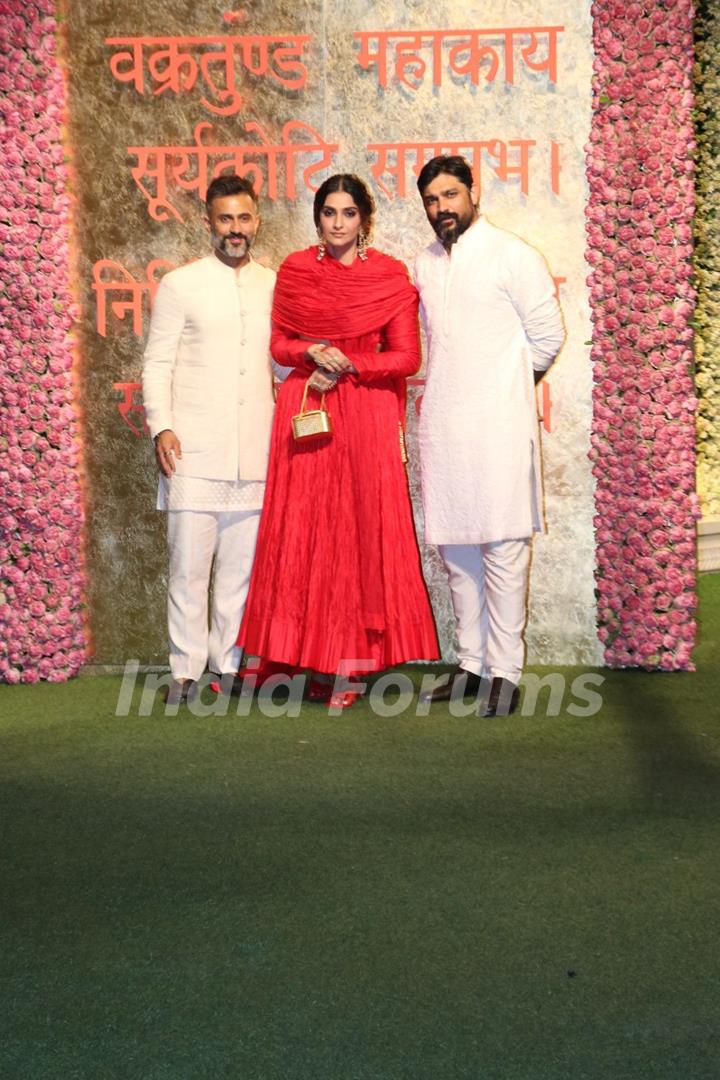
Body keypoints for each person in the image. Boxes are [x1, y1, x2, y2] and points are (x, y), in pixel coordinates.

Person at [238, 173, 439, 707]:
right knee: (301, 532)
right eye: (329, 212)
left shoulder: (389, 277)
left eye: (349, 213)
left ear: (364, 219)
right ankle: (288, 658)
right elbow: (280, 344)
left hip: (365, 413)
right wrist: (309, 353)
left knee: (354, 536)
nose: (338, 223)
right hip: (308, 411)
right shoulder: (298, 271)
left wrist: (354, 361)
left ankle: (350, 666)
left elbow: (406, 358)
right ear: (317, 217)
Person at [414, 155, 565, 715]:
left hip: (498, 428)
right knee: (457, 552)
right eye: (431, 200)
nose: (441, 208)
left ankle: (505, 671)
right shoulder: (425, 263)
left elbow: (547, 334)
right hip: (445, 429)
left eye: (450, 195)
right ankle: (471, 664)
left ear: (473, 193)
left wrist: (505, 390)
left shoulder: (512, 254)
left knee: (503, 549)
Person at [142, 174, 276, 704]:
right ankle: (184, 670)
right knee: (189, 571)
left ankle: (230, 665)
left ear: (257, 221)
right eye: (225, 219)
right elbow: (157, 363)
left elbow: (282, 365)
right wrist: (163, 425)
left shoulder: (274, 283)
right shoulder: (181, 284)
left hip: (256, 453)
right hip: (192, 452)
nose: (235, 229)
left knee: (240, 575)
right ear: (208, 223)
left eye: (244, 218)